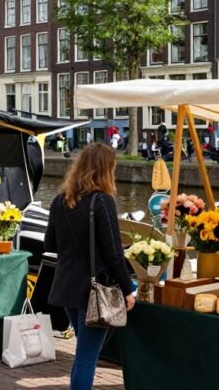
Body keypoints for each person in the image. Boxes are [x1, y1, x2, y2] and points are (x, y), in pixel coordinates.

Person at [44, 144, 135, 390]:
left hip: (66, 288)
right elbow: (114, 252)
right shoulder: (102, 201)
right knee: (87, 357)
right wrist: (128, 289)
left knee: (82, 352)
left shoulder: (59, 200)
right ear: (106, 170)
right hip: (92, 291)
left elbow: (50, 243)